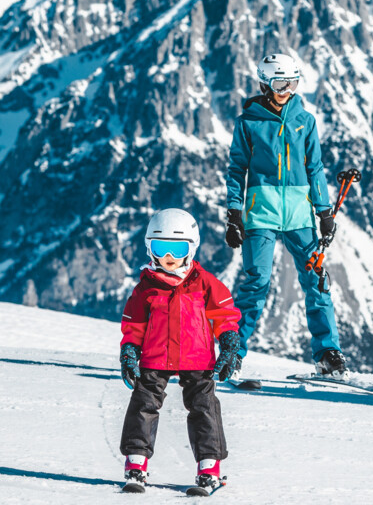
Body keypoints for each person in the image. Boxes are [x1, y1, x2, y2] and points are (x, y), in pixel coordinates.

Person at [223, 53, 345, 378]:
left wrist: (324, 212)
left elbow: (315, 168)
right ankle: (232, 351)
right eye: (280, 84)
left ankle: (328, 352)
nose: (286, 90)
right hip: (260, 213)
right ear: (265, 84)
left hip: (299, 214)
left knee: (316, 281)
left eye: (292, 83)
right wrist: (234, 213)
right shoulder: (248, 122)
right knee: (256, 283)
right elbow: (237, 169)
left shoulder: (305, 120)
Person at [118, 209, 242, 494]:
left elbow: (225, 314)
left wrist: (229, 343)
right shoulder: (146, 287)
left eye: (177, 249)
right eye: (161, 249)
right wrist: (129, 352)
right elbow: (134, 325)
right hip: (155, 356)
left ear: (192, 247)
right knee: (143, 404)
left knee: (204, 408)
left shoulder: (203, 281)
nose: (169, 257)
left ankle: (209, 468)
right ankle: (136, 463)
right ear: (150, 248)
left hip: (197, 358)